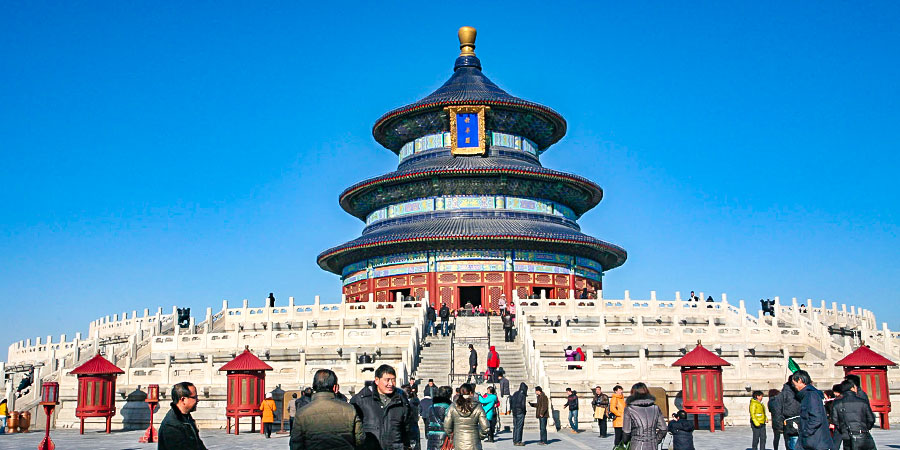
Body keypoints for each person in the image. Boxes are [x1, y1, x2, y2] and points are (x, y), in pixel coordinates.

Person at [291, 369, 364, 449]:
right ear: (335, 388)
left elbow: (296, 445)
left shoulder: (302, 413)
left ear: (314, 386)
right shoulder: (350, 409)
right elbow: (360, 439)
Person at [350, 364, 415, 450]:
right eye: (387, 380)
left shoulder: (401, 401)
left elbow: (408, 429)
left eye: (393, 380)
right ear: (377, 380)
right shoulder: (361, 400)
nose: (391, 384)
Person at [790, 370, 833, 450]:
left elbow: (816, 418)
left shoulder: (811, 395)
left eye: (794, 383)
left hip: (814, 441)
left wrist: (806, 432)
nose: (794, 386)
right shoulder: (807, 395)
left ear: (800, 380)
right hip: (812, 440)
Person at [158, 381, 206, 450]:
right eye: (194, 397)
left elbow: (198, 445)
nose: (197, 400)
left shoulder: (186, 417)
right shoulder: (171, 425)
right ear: (183, 399)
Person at [832, 379, 876, 450]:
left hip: (847, 435)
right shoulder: (863, 402)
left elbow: (835, 420)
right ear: (852, 388)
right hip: (862, 434)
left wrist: (843, 430)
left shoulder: (837, 403)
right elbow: (871, 419)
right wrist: (865, 428)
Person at [444, 383, 489, 450]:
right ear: (471, 392)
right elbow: (485, 427)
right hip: (474, 442)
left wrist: (452, 435)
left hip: (458, 442)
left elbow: (447, 426)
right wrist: (479, 435)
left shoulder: (453, 406)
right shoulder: (478, 407)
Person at [622, 382, 666, 450]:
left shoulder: (629, 409)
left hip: (636, 444)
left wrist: (625, 442)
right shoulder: (655, 408)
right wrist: (656, 440)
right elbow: (663, 428)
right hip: (653, 445)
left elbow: (626, 431)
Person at [777, 376, 802, 450]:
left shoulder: (801, 392)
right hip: (790, 424)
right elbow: (778, 411)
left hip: (801, 423)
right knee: (793, 444)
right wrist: (780, 426)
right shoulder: (784, 394)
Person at [423, 386, 452, 450]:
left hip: (431, 436)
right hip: (444, 436)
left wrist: (428, 434)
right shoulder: (449, 407)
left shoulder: (431, 407)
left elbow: (427, 422)